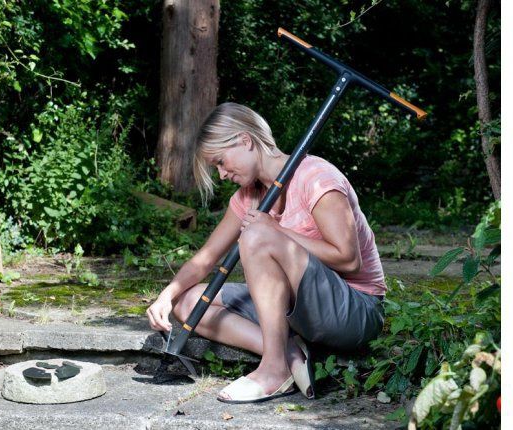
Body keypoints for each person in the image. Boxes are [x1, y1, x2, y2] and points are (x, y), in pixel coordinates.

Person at [146, 102, 385, 404]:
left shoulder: (317, 178)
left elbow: (349, 259)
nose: (221, 174)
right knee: (189, 303)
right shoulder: (249, 196)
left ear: (245, 140)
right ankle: (288, 352)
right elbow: (205, 259)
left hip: (354, 311)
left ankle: (274, 370)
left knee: (258, 233)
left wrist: (276, 230)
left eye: (221, 162)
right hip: (299, 310)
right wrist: (166, 296)